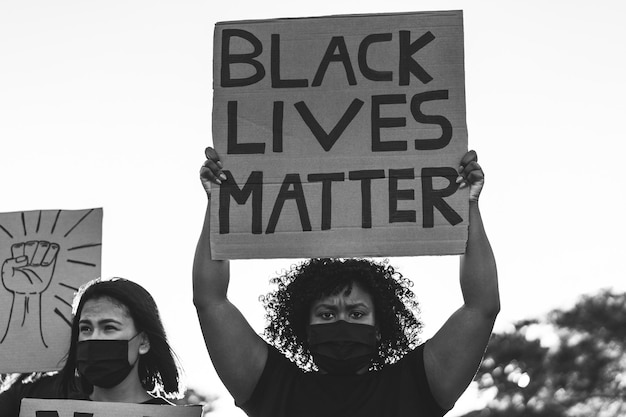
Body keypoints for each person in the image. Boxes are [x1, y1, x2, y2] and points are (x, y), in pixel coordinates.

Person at [194, 147, 499, 416]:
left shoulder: (416, 386)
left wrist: (468, 205)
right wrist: (218, 204)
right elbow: (211, 301)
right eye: (327, 314)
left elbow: (481, 307)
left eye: (356, 313)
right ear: (305, 328)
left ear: (379, 327)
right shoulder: (273, 387)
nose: (342, 323)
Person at [0, 277, 182, 416]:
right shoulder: (39, 402)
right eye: (85, 328)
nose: (93, 338)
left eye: (109, 328)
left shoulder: (167, 415)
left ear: (143, 341)